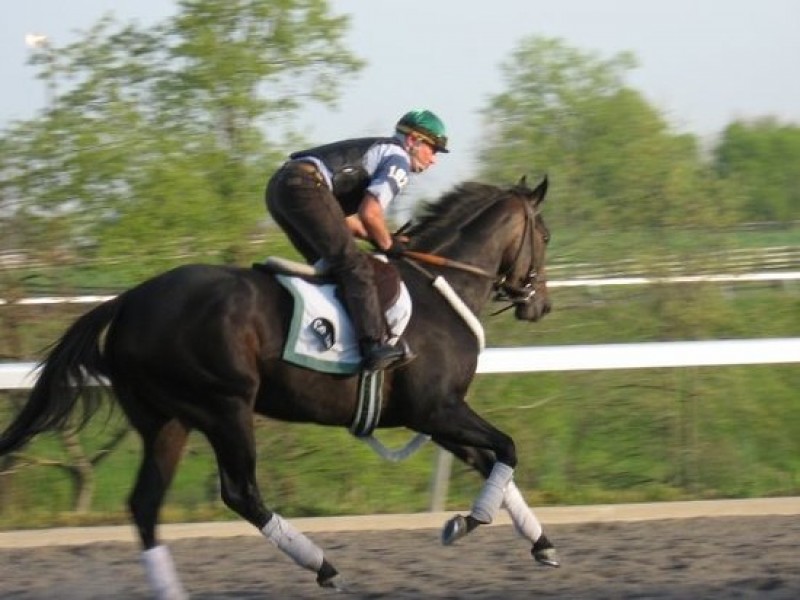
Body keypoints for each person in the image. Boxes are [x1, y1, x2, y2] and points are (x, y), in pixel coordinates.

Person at [265, 109, 448, 371]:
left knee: (328, 267)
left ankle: (322, 336)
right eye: (433, 149)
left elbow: (343, 219)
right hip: (304, 186)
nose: (434, 160)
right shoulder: (399, 160)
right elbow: (370, 213)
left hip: (282, 187)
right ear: (413, 141)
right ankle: (373, 345)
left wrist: (380, 236)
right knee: (355, 266)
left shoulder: (383, 152)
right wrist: (388, 244)